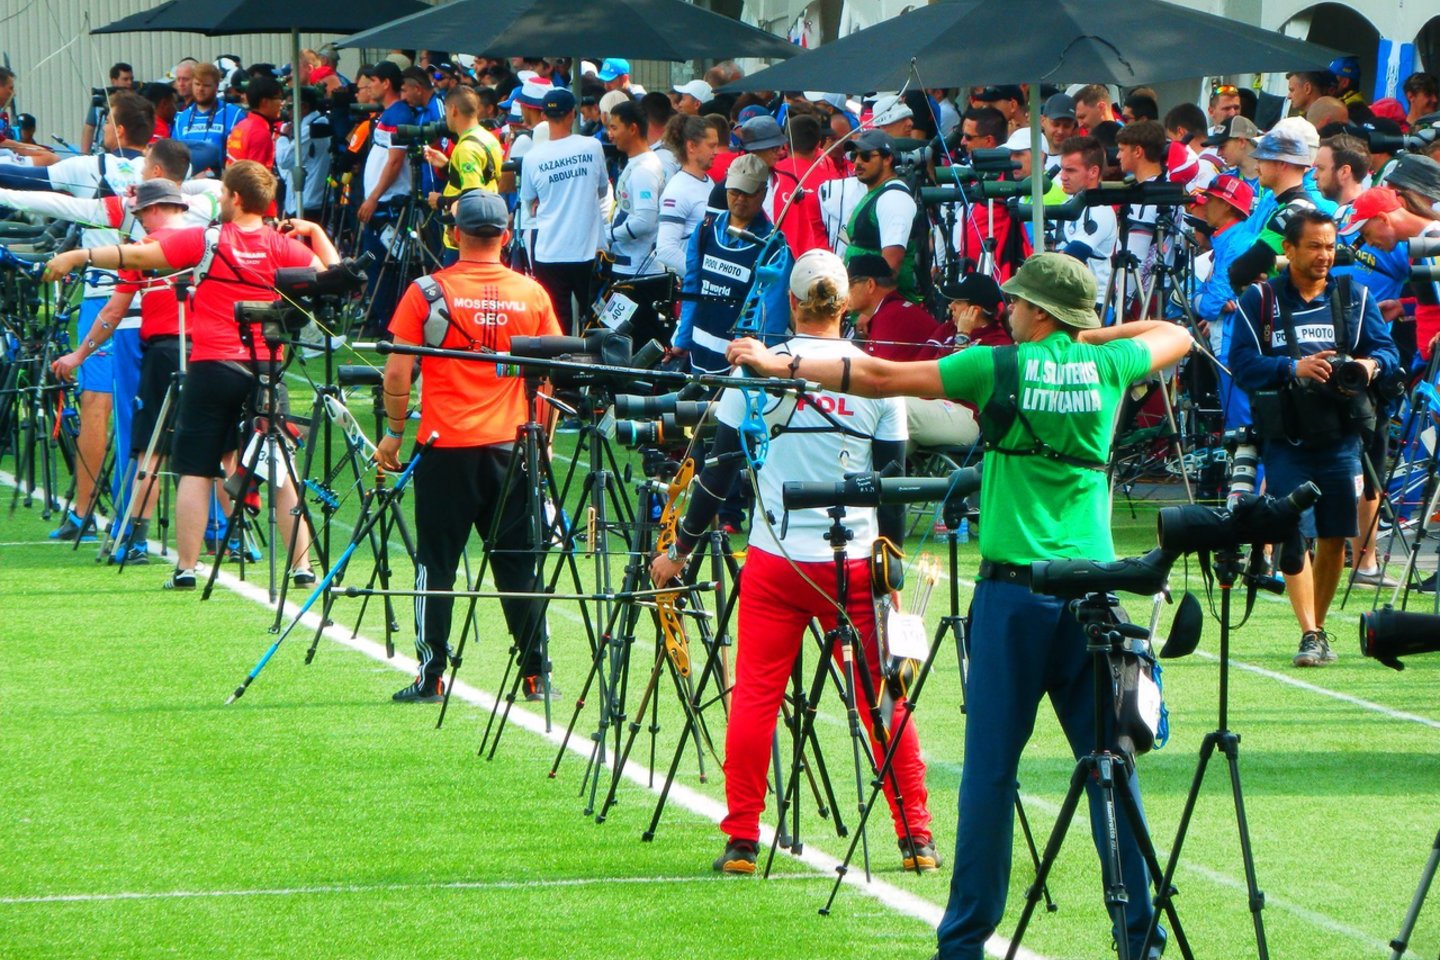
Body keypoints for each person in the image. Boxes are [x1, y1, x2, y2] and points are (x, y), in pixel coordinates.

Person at [727, 252, 1194, 960]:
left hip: (1015, 597)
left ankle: (966, 945)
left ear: (1039, 312)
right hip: (1094, 597)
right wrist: (1077, 341)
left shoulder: (995, 366)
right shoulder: (1109, 364)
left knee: (990, 778)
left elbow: (880, 377)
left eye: (1018, 303)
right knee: (1111, 771)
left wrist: (776, 363)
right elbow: (1174, 334)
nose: (1006, 310)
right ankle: (1140, 942)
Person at [655, 248, 937, 877]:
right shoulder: (876, 374)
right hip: (856, 566)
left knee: (756, 696)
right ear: (846, 303)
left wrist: (680, 551)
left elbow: (718, 474)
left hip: (777, 563)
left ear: (790, 301)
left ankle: (741, 840)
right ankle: (916, 837)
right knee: (884, 697)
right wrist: (889, 572)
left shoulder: (756, 370)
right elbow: (891, 484)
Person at [42, 161, 340, 591]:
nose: (219, 201)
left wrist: (79, 255)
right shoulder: (282, 246)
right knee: (280, 468)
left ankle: (185, 568)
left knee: (196, 468)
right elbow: (334, 276)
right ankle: (302, 567)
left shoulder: (207, 240)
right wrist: (314, 231)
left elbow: (137, 256)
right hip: (265, 370)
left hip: (213, 365)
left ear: (236, 198)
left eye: (223, 195)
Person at [376, 190, 561, 702]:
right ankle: (537, 675)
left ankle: (431, 675)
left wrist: (394, 431)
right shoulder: (533, 294)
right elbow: (550, 374)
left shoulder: (426, 291)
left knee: (435, 565)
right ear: (506, 236)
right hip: (511, 448)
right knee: (519, 565)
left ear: (455, 234)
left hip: (444, 448)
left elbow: (397, 372)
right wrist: (542, 440)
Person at [1229, 209, 1399, 666]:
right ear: (1289, 249)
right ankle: (1309, 630)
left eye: (1330, 246)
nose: (1324, 255)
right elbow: (1241, 364)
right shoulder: (1261, 299)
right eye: (1314, 246)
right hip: (1287, 437)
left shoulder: (1354, 296)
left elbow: (1388, 351)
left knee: (1335, 535)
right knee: (1290, 532)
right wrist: (1293, 368)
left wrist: (1368, 365)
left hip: (1342, 434)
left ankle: (1316, 629)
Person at [49, 180, 194, 564]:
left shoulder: (143, 250)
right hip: (211, 351)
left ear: (155, 208)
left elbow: (113, 311)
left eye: (142, 212)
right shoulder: (208, 239)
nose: (139, 219)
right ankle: (227, 539)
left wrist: (78, 355)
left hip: (164, 351)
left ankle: (135, 541)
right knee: (216, 449)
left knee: (150, 450)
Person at [674, 154, 790, 374]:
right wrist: (682, 340)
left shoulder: (773, 248)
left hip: (737, 365)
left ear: (763, 192)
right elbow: (692, 288)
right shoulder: (705, 230)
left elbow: (771, 318)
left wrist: (752, 363)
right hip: (697, 355)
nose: (740, 199)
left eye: (748, 193)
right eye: (734, 191)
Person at [519, 88, 611, 335]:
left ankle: (559, 362)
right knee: (598, 321)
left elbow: (529, 203)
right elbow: (602, 190)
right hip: (589, 251)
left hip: (549, 252)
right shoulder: (592, 146)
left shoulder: (532, 158)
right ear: (573, 114)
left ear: (543, 117)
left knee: (556, 325)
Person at [356, 61, 415, 334]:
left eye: (373, 81)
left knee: (385, 265)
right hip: (381, 202)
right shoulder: (388, 114)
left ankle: (389, 325)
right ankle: (381, 320)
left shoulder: (398, 114)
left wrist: (373, 198)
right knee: (375, 263)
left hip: (388, 205)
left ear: (386, 83)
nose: (369, 86)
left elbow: (395, 161)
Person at [604, 99, 667, 336]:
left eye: (614, 127)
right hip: (628, 267)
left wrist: (608, 235)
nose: (610, 134)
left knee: (631, 337)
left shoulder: (644, 170)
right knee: (618, 334)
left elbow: (644, 221)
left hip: (640, 272)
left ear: (632, 128)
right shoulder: (636, 164)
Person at [424, 85, 504, 264]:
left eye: (446, 110)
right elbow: (483, 177)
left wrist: (440, 201)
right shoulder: (488, 137)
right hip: (486, 224)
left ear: (453, 110)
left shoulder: (467, 148)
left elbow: (473, 197)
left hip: (465, 234)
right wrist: (447, 166)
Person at [842, 129, 921, 303]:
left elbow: (891, 264)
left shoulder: (894, 198)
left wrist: (870, 310)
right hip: (863, 302)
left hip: (883, 307)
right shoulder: (876, 192)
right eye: (854, 156)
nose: (857, 162)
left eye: (865, 156)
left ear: (887, 159)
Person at [1055, 136, 1118, 310]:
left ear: (1093, 172)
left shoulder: (1100, 210)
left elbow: (1070, 259)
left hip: (1093, 306)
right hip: (1070, 301)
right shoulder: (1070, 203)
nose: (1063, 177)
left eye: (1070, 171)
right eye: (1062, 169)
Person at [655, 114, 718, 274]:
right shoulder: (677, 191)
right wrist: (704, 275)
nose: (716, 152)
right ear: (691, 146)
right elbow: (665, 250)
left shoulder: (708, 181)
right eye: (711, 146)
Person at [847, 255, 937, 362]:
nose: (844, 291)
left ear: (870, 285)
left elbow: (880, 371)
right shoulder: (891, 311)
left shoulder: (892, 317)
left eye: (849, 285)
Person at [173, 62, 247, 174]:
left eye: (206, 85)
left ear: (216, 87)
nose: (200, 89)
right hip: (188, 180)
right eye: (197, 84)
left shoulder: (235, 115)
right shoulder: (181, 118)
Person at [276, 86, 332, 216]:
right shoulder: (310, 125)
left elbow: (284, 161)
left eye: (289, 107)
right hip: (304, 200)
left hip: (308, 202)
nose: (287, 112)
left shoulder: (313, 128)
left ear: (304, 107)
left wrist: (283, 137)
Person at [225, 75, 283, 169]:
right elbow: (256, 174)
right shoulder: (260, 133)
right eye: (278, 98)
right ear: (264, 102)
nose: (282, 103)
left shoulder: (241, 125)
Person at [81, 62, 135, 154]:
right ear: (114, 81)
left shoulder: (135, 101)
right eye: (125, 79)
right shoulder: (100, 100)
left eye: (131, 79)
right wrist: (84, 154)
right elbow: (89, 128)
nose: (129, 83)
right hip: (102, 152)